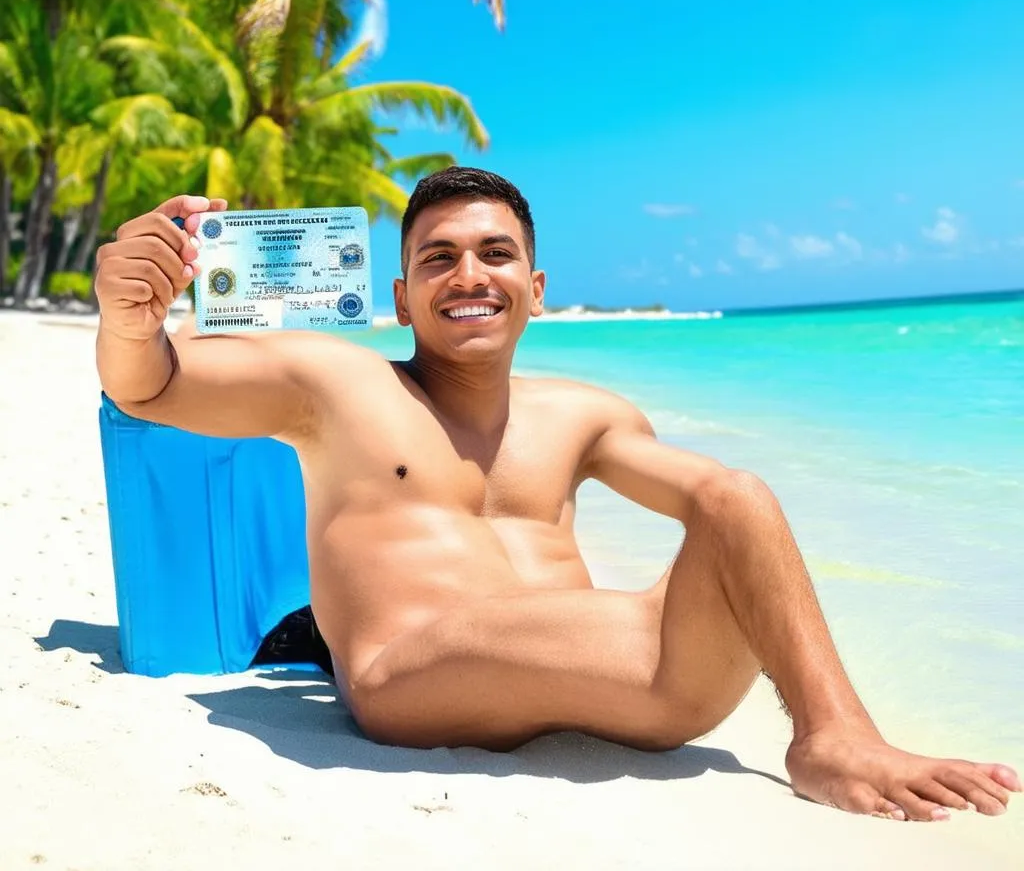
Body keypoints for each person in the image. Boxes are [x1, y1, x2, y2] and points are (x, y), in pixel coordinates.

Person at [94, 166, 1019, 822]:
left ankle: (836, 732)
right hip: (409, 676)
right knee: (651, 609)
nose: (469, 275)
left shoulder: (585, 414)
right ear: (402, 298)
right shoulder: (337, 385)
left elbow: (722, 505)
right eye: (437, 259)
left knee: (738, 493)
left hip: (612, 674)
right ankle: (823, 737)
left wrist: (748, 573)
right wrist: (131, 317)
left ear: (534, 289)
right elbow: (151, 386)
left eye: (495, 255)